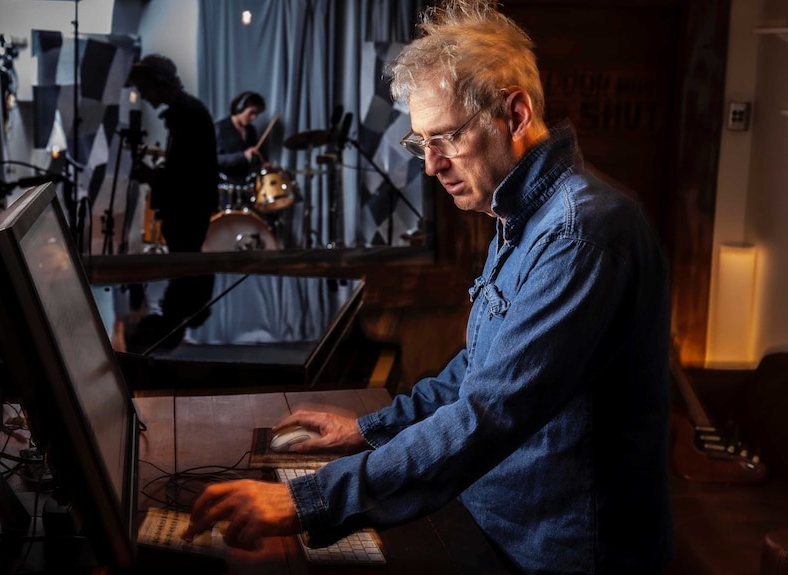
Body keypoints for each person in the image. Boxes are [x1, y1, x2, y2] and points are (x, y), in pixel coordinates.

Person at [182, 1, 674, 573]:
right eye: (421, 143)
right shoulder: (520, 214)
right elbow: (478, 370)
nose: (431, 165)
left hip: (554, 557)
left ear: (514, 115)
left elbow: (490, 412)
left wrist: (306, 500)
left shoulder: (581, 233)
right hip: (486, 524)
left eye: (444, 138)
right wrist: (367, 429)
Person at [126, 54, 218, 252]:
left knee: (186, 268)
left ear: (159, 82)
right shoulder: (188, 111)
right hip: (189, 207)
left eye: (144, 89)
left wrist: (152, 175)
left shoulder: (189, 115)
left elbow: (185, 176)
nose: (143, 96)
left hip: (187, 210)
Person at [215, 91, 269, 192]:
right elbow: (215, 159)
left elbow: (251, 159)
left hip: (247, 185)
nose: (254, 117)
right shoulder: (219, 129)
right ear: (239, 108)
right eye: (251, 113)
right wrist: (243, 155)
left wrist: (261, 166)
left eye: (256, 114)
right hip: (225, 186)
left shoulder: (251, 130)